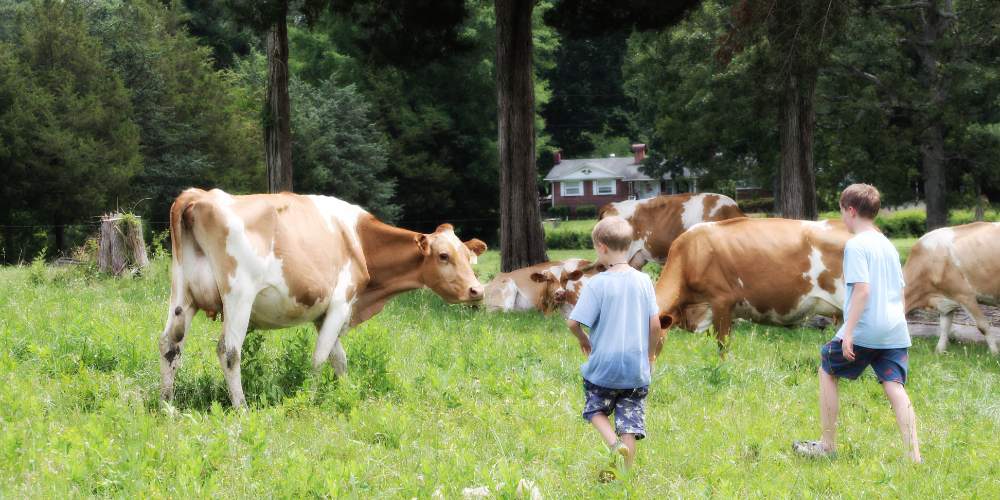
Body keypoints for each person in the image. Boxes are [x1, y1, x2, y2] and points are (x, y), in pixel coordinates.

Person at [793, 183, 921, 462]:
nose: (842, 219)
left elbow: (862, 290)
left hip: (865, 329)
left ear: (851, 211)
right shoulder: (886, 244)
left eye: (842, 212)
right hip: (894, 328)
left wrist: (848, 333)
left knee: (827, 368)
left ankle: (827, 445)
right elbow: (900, 290)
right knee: (894, 386)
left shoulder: (856, 245)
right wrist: (895, 322)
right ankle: (914, 456)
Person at [566, 216, 664, 478]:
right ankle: (623, 477)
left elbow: (573, 323)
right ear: (630, 246)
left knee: (594, 409)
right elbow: (655, 326)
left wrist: (584, 339)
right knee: (629, 425)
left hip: (603, 370)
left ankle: (613, 444)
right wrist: (651, 355)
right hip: (636, 370)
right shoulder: (644, 282)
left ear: (601, 247)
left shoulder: (596, 284)